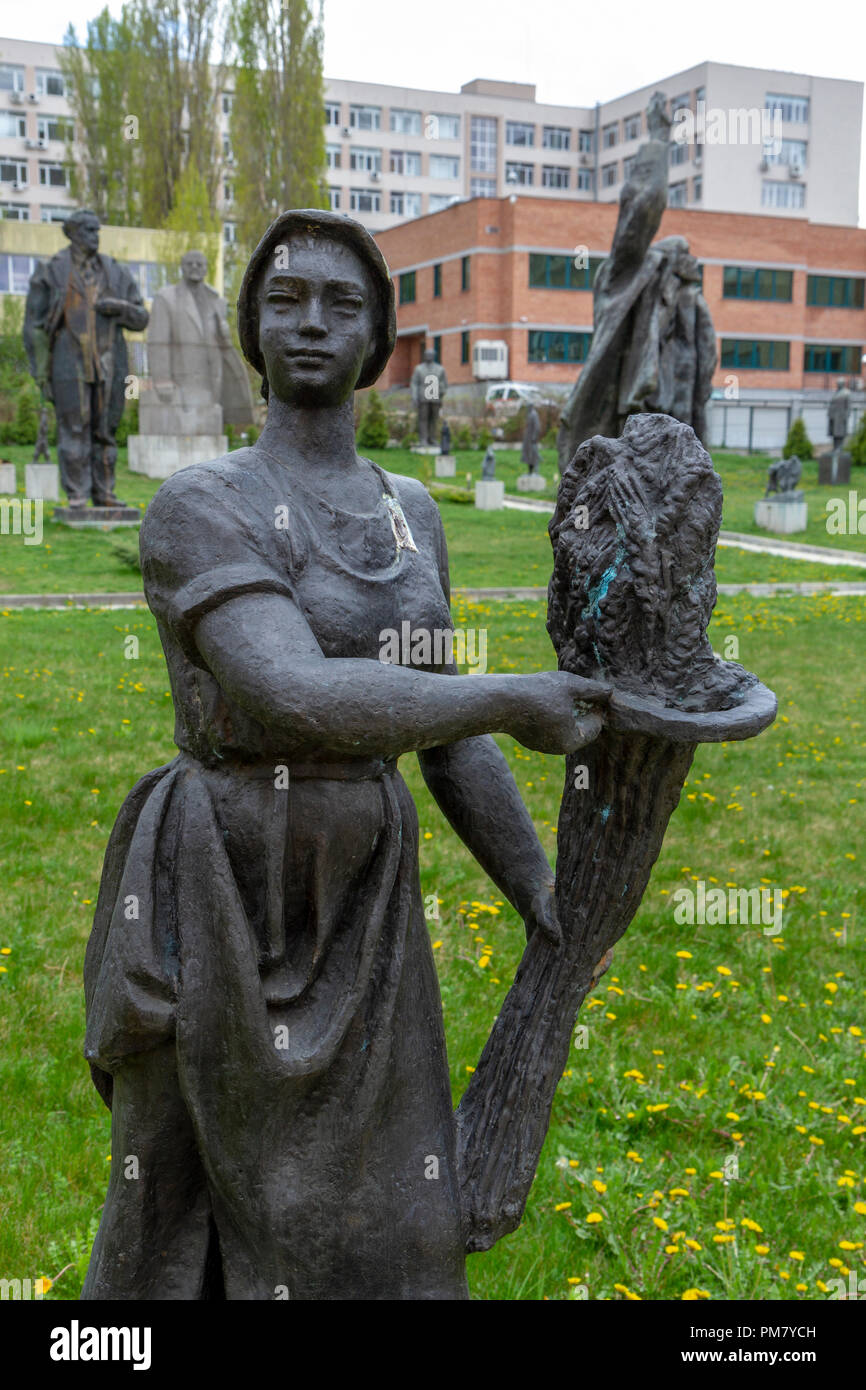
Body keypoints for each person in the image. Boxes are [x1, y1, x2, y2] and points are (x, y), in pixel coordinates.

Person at [81, 208, 608, 1301]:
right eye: (284, 300)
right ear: (251, 329)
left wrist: (537, 891)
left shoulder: (410, 510)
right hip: (226, 883)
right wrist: (510, 695)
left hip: (362, 903)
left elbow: (440, 729)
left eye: (341, 303)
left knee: (401, 1214)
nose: (310, 323)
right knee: (197, 1213)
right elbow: (285, 689)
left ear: (378, 339)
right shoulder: (203, 502)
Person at [557, 92, 716, 472]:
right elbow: (640, 213)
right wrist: (659, 143)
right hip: (620, 421)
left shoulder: (690, 304)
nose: (691, 267)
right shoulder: (625, 276)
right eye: (682, 259)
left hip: (676, 433)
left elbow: (705, 361)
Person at [23, 209, 148, 508]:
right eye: (89, 230)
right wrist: (41, 372)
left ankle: (105, 493)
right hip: (67, 360)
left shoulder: (115, 271)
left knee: (105, 429)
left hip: (109, 361)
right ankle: (78, 494)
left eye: (97, 230)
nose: (95, 236)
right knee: (73, 427)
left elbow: (141, 317)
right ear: (73, 233)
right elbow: (34, 326)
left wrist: (118, 307)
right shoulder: (51, 270)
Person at [145, 249, 253, 428]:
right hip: (183, 380)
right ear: (182, 267)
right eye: (189, 264)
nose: (194, 267)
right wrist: (162, 379)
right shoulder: (166, 298)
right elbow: (158, 343)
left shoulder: (216, 301)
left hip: (212, 379)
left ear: (206, 269)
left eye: (199, 264)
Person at [411, 346, 447, 445]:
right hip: (423, 398)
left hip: (436, 398)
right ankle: (423, 439)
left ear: (434, 356)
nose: (428, 356)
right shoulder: (419, 369)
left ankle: (432, 438)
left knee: (434, 419)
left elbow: (444, 382)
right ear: (424, 356)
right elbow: (414, 383)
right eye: (427, 354)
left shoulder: (440, 369)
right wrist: (414, 396)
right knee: (423, 419)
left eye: (430, 354)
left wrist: (442, 392)